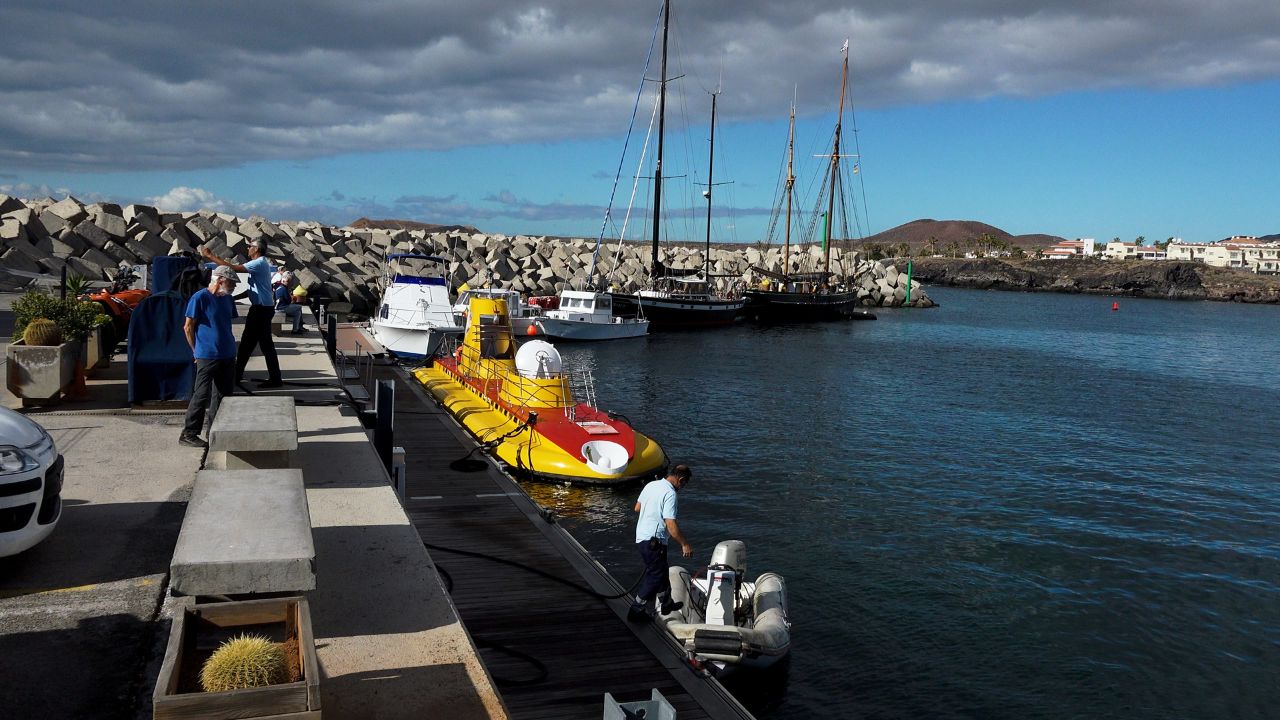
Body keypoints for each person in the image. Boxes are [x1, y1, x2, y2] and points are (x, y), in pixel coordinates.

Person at [202, 240, 282, 388]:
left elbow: (232, 268)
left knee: (248, 344)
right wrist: (233, 297)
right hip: (262, 308)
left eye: (250, 246)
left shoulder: (258, 263)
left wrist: (210, 256)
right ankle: (247, 376)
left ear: (257, 249)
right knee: (259, 345)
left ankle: (238, 377)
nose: (247, 248)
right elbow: (253, 290)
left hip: (260, 309)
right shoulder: (261, 264)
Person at [180, 266, 239, 448]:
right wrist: (195, 351)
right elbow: (188, 327)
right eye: (232, 283)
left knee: (223, 395)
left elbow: (227, 323)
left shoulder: (228, 300)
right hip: (207, 354)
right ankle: (189, 433)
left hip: (227, 353)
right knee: (201, 394)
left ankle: (215, 431)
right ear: (220, 280)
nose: (234, 287)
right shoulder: (200, 297)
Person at [629, 464, 693, 623]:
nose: (682, 487)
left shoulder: (651, 484)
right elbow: (670, 523)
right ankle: (636, 609)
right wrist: (684, 544)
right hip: (654, 541)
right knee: (655, 575)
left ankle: (666, 604)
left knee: (662, 571)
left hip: (641, 537)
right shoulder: (670, 493)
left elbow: (637, 508)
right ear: (681, 479)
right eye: (684, 484)